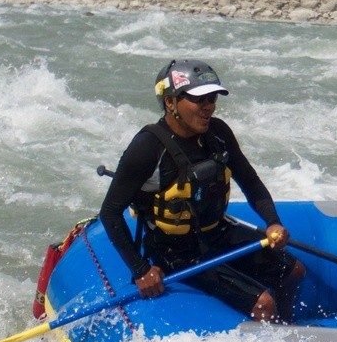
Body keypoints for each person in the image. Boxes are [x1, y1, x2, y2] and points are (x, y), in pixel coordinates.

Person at [98, 60, 303, 322]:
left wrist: (273, 221)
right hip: (175, 252)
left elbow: (250, 181)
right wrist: (140, 270)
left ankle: (288, 327)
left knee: (294, 270)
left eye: (212, 98)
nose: (209, 106)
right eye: (199, 99)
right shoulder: (147, 147)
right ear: (171, 102)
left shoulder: (218, 133)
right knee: (263, 303)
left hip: (216, 233)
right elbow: (110, 212)